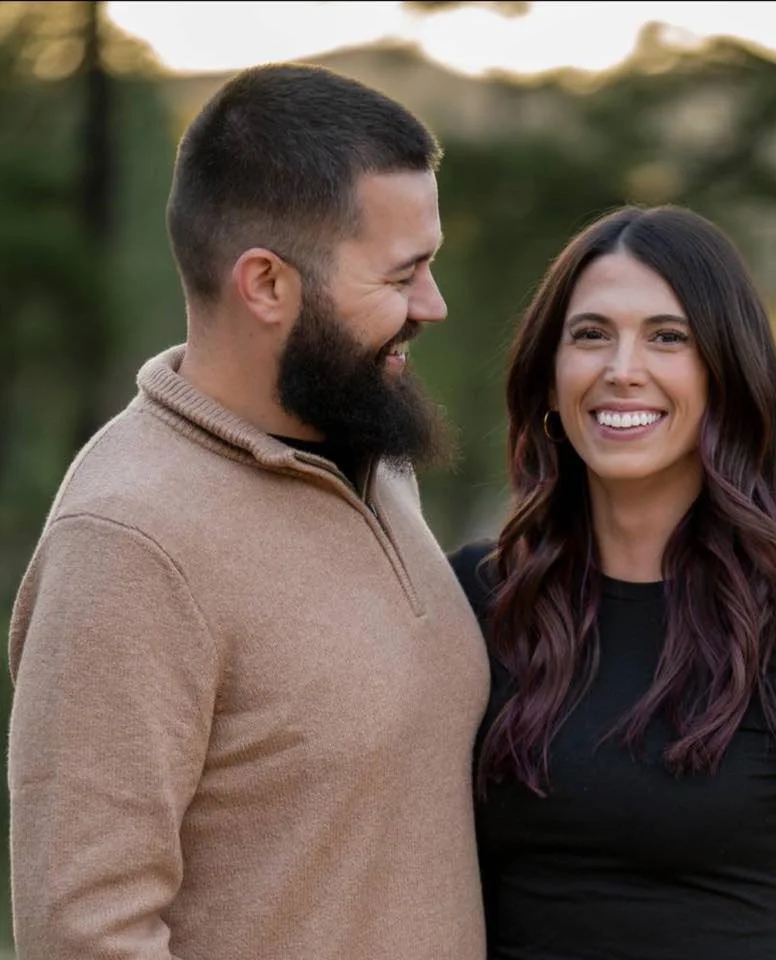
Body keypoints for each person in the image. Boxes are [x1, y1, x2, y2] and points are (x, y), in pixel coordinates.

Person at [8, 62, 489, 960]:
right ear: (266, 284)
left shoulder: (370, 453)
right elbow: (85, 936)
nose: (435, 304)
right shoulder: (128, 544)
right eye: (403, 274)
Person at [450, 204, 776, 960]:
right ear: (548, 378)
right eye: (590, 334)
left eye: (668, 337)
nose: (622, 368)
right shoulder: (475, 602)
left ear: (726, 373)